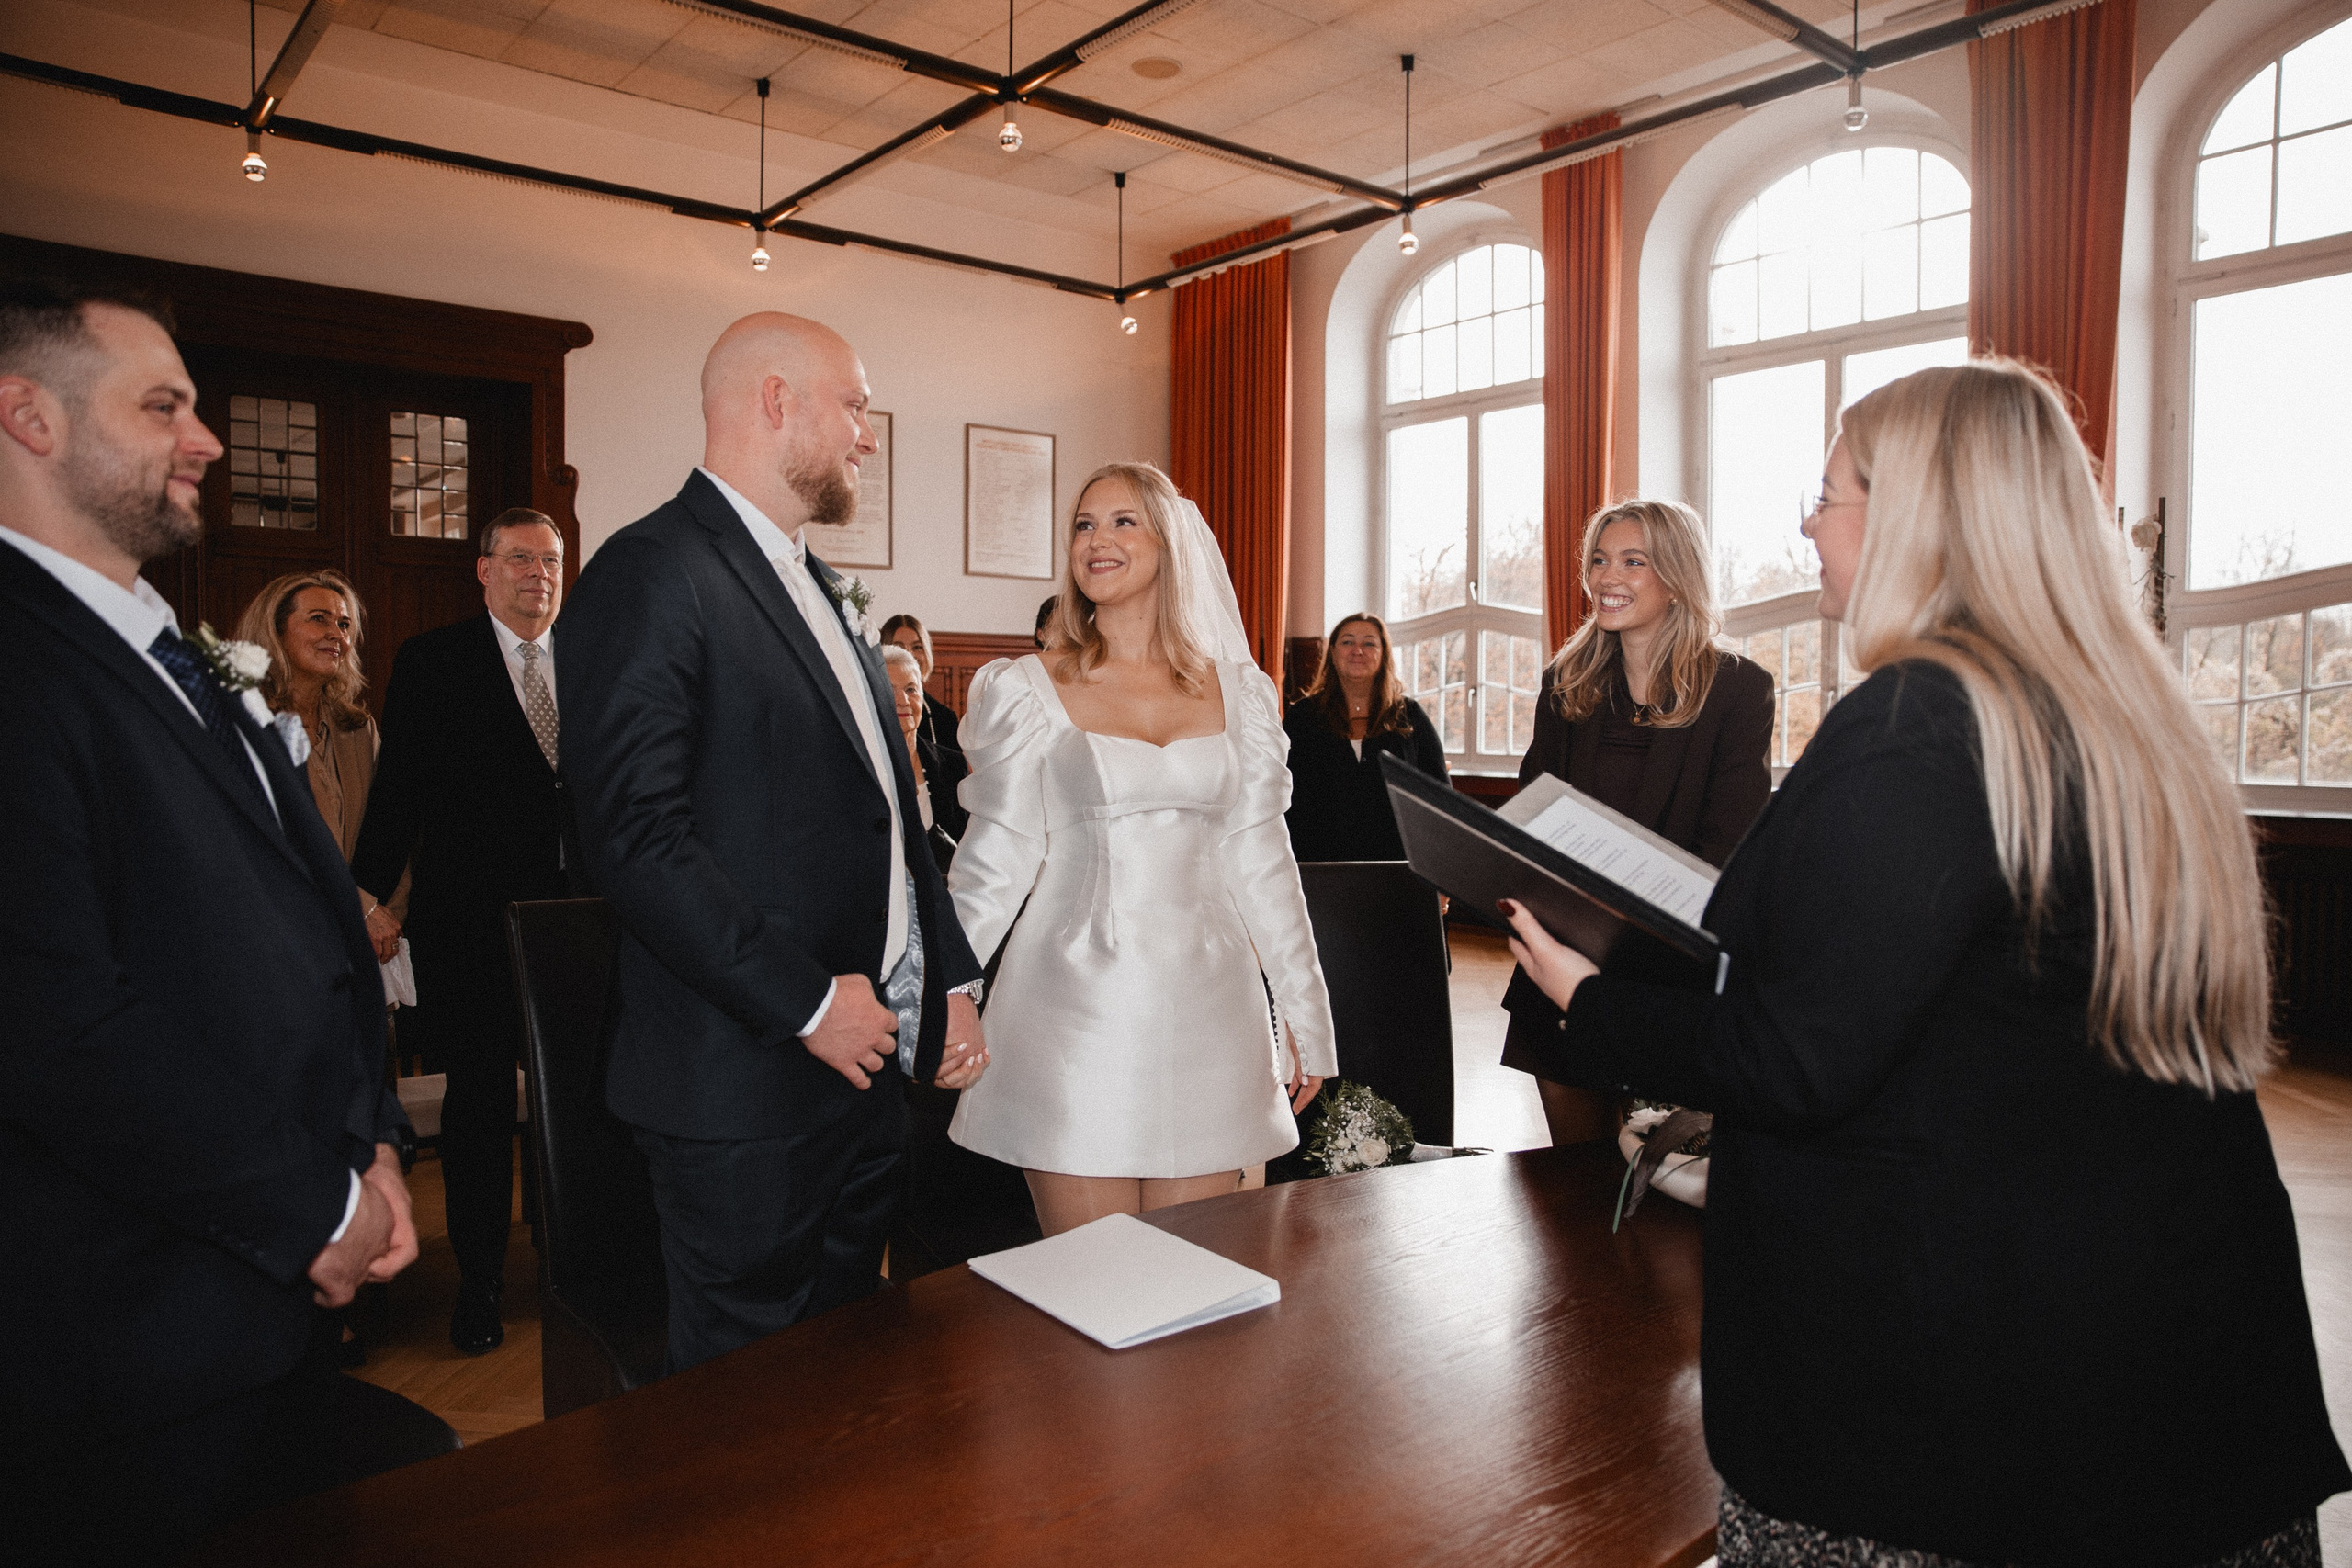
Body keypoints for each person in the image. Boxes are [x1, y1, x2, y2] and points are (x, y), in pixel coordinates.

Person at [1502, 360, 2350, 1568]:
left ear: (1916, 514)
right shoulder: (2121, 717)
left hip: (1962, 1419)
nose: (1808, 520)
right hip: (2180, 1371)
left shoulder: (1921, 720)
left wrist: (1592, 999)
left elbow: (1794, 1059)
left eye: (1830, 489)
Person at [0, 282, 424, 1554]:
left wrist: (374, 1137)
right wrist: (311, 1199)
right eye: (162, 405)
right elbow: (54, 1020)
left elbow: (308, 929)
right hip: (119, 1319)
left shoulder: (157, 647)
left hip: (254, 1300)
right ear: (28, 416)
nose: (209, 439)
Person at [560, 312, 989, 1375]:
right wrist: (805, 1000)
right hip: (741, 1084)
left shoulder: (810, 583)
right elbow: (632, 836)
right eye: (854, 405)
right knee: (744, 1403)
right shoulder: (652, 567)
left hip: (858, 1076)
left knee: (844, 1371)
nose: (867, 436)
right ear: (773, 401)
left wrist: (949, 977)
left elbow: (890, 811)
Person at [946, 461, 1336, 1237]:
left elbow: (1263, 861)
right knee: (1096, 1289)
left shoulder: (1243, 694)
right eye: (1085, 524)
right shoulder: (1026, 690)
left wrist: (1306, 1012)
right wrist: (949, 991)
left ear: (1171, 540)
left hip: (1214, 1009)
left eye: (1124, 521)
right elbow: (996, 858)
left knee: (1206, 1285)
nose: (1098, 539)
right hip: (1073, 1011)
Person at [349, 506, 577, 1356]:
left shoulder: (590, 661)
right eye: (519, 558)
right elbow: (400, 787)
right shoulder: (435, 661)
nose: (538, 574)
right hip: (471, 931)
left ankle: (567, 1264)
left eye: (550, 560)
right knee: (480, 1110)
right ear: (483, 570)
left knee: (574, 1102)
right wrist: (364, 890)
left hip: (574, 930)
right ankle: (478, 1285)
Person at [1498, 498, 1772, 1146]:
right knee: (1578, 1184)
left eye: (1631, 561)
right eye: (1598, 560)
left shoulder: (1738, 689)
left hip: (1668, 981)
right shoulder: (1566, 684)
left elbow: (1727, 848)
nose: (1605, 577)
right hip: (1561, 963)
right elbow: (1533, 813)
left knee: (1658, 1202)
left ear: (1676, 576)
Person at [234, 570, 405, 961]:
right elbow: (259, 847)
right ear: (274, 632)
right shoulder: (244, 725)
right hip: (277, 941)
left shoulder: (359, 729)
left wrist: (387, 913)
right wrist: (358, 906)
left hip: (366, 946)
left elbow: (392, 828)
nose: (337, 634)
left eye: (345, 624)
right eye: (319, 619)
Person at [1282, 612, 1447, 862]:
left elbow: (1439, 795)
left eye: (1369, 643)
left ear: (1383, 655)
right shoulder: (1303, 717)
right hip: (1316, 864)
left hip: (1397, 866)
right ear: (1333, 654)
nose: (1357, 650)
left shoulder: (1409, 716)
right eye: (1347, 642)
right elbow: (1279, 789)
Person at [884, 641, 968, 852]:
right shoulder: (858, 767)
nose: (903, 700)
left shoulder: (954, 765)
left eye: (911, 689)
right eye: (890, 690)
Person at [879, 611, 963, 765]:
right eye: (898, 647)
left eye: (917, 647)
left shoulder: (946, 720)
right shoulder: (873, 712)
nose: (909, 654)